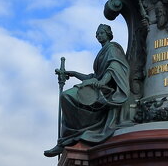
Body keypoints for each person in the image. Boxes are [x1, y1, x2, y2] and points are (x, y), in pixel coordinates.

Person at [45, 24, 131, 156]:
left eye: (101, 33)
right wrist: (73, 73)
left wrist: (102, 82)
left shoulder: (112, 48)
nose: (98, 36)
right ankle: (67, 139)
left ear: (108, 34)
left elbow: (114, 67)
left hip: (107, 90)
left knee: (66, 97)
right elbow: (93, 76)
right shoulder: (103, 51)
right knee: (66, 97)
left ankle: (67, 139)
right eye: (97, 34)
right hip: (97, 86)